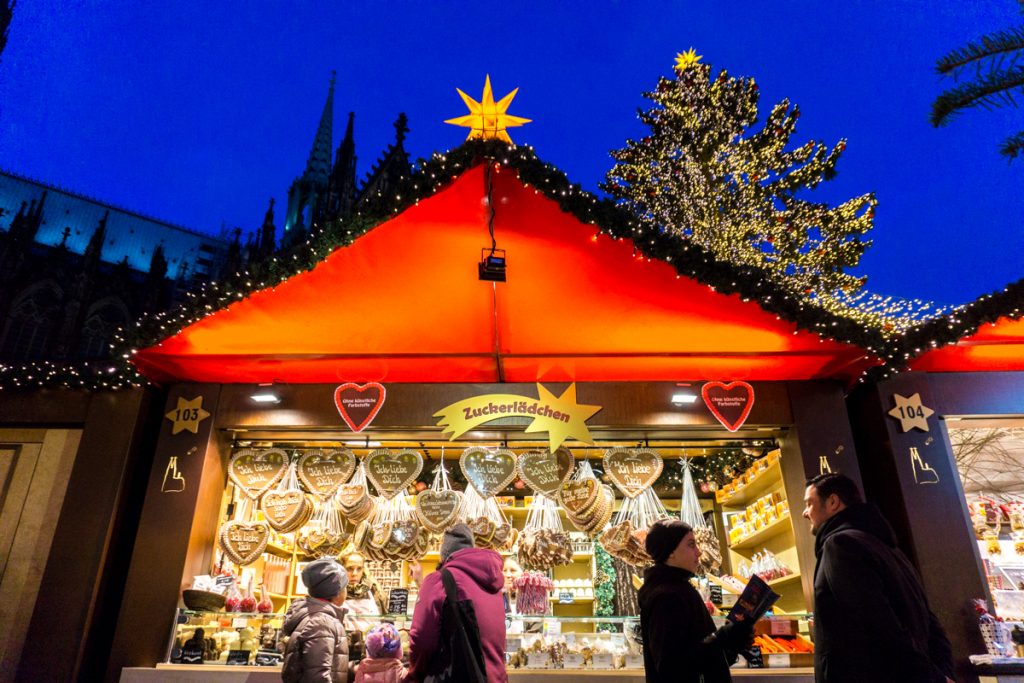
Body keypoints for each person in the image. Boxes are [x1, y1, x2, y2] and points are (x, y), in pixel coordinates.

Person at [802, 473, 955, 683]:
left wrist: (933, 678)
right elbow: (929, 622)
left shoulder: (840, 546)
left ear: (833, 502)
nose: (804, 513)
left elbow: (876, 623)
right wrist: (941, 674)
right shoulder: (889, 549)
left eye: (809, 504)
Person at [639, 520, 753, 683]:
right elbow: (671, 668)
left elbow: (699, 654)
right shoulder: (665, 597)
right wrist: (721, 638)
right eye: (691, 545)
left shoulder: (678, 587)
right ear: (670, 551)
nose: (698, 552)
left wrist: (732, 644)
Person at [405, 523, 506, 683]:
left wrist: (413, 676)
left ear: (444, 555)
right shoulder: (495, 585)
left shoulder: (439, 579)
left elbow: (422, 640)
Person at [282, 557, 351, 683]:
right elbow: (317, 676)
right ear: (336, 592)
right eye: (345, 587)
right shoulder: (321, 623)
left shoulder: (318, 618)